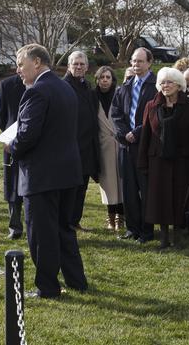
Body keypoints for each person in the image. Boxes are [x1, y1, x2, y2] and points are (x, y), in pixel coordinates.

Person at [7, 44, 87, 299]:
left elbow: (28, 135)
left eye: (21, 64)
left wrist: (12, 146)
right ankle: (77, 281)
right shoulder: (65, 87)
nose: (18, 70)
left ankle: (47, 287)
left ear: (37, 62)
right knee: (65, 230)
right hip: (68, 171)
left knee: (42, 235)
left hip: (42, 176)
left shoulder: (37, 92)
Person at [137, 67, 189, 250]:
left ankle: (178, 236)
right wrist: (142, 162)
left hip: (182, 160)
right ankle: (164, 237)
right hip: (157, 160)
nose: (166, 86)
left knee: (179, 197)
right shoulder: (151, 105)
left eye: (170, 82)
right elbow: (146, 135)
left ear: (179, 85)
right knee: (160, 198)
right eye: (163, 82)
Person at [110, 47, 157, 242]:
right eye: (133, 61)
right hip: (125, 146)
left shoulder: (156, 87)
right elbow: (115, 113)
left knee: (145, 190)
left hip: (145, 145)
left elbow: (154, 115)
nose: (136, 64)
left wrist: (136, 133)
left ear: (149, 63)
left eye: (140, 61)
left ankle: (147, 231)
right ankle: (132, 228)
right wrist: (123, 134)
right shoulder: (125, 87)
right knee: (128, 189)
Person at [62, 51, 100, 230]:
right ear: (69, 66)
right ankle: (66, 221)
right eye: (75, 64)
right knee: (70, 188)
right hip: (71, 146)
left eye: (81, 64)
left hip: (87, 147)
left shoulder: (87, 86)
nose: (78, 67)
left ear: (87, 67)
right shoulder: (63, 86)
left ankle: (75, 221)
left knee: (82, 187)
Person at [0, 72, 26, 238]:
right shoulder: (7, 84)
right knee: (13, 183)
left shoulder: (41, 84)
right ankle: (15, 227)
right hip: (11, 141)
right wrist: (8, 132)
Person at [93, 66, 123, 231]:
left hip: (120, 143)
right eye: (101, 77)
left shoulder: (119, 95)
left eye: (108, 77)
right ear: (97, 80)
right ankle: (111, 217)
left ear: (113, 79)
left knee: (122, 182)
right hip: (103, 145)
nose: (105, 80)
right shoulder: (92, 97)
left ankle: (121, 216)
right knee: (109, 184)